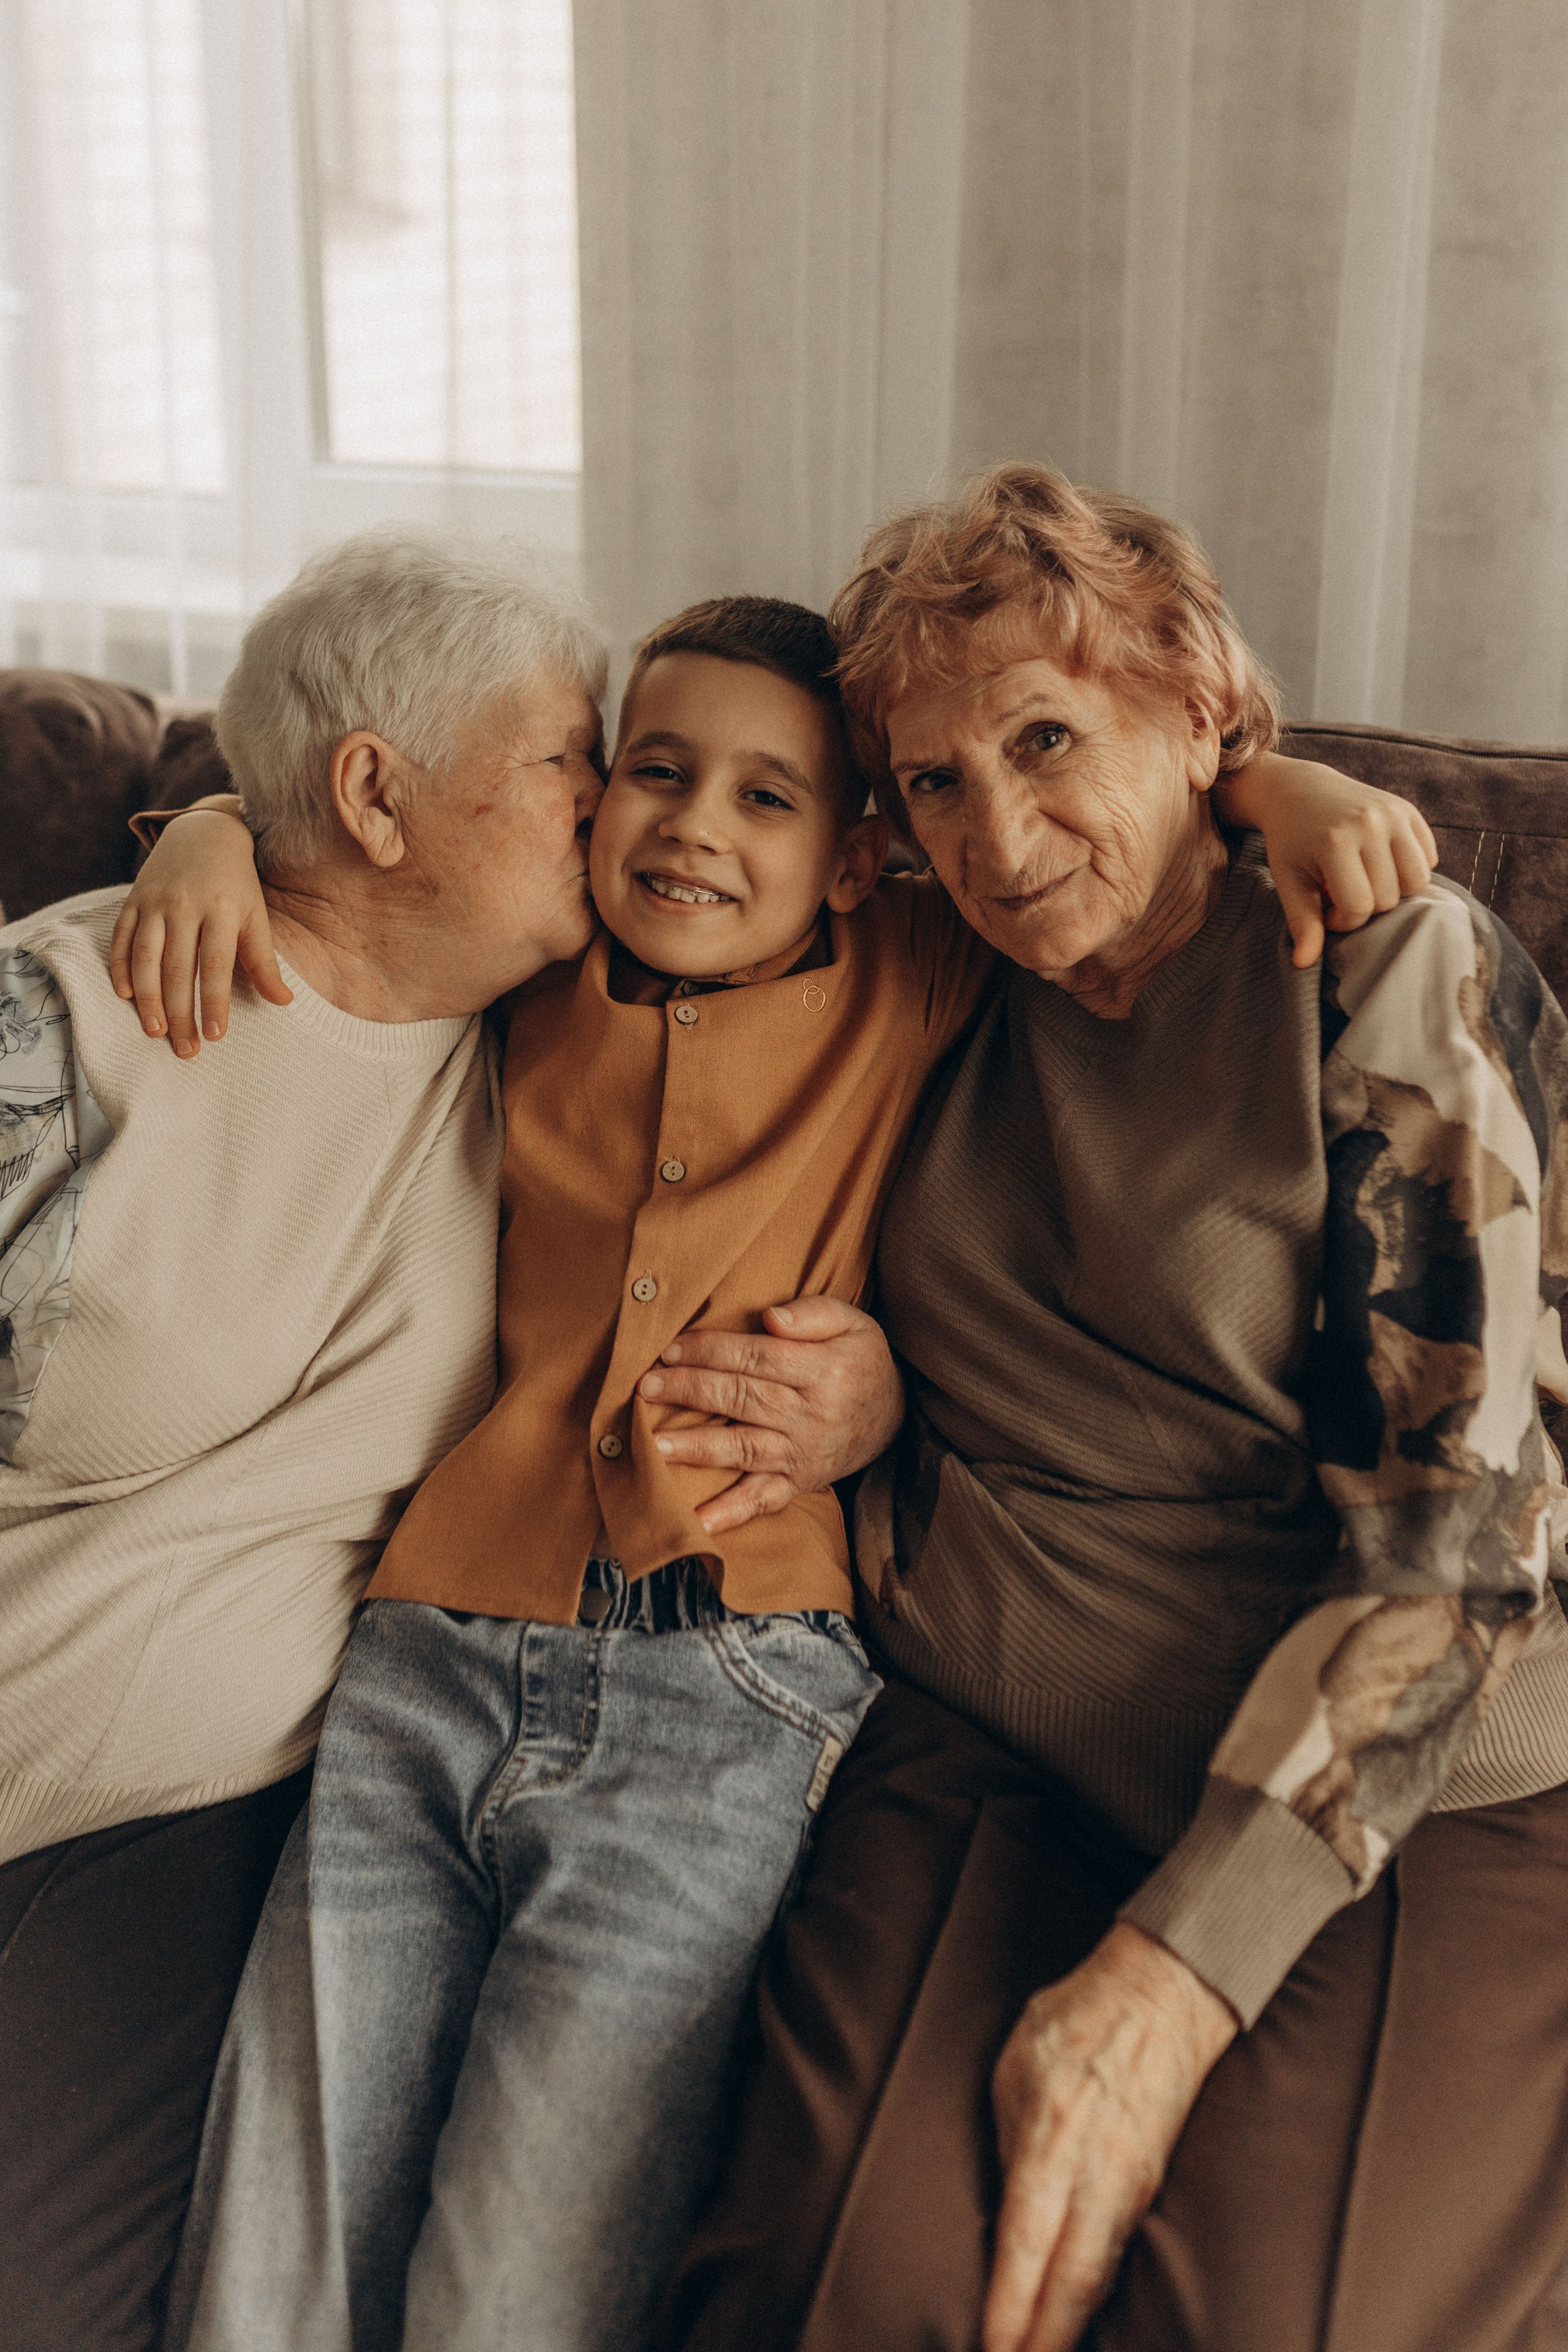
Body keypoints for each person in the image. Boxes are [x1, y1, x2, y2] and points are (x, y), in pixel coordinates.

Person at [115, 584, 1431, 2352]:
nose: (695, 827)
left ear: (858, 856)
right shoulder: (530, 966)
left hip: (722, 1683)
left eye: (767, 796)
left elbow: (1100, 860)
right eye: (655, 773)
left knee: (521, 2272)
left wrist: (1285, 786)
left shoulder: (915, 967)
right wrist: (205, 828)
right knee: (276, 2236)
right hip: (426, 1652)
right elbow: (365, 871)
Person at [647, 467, 1568, 2352]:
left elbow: (1460, 1539)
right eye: (933, 782)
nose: (998, 836)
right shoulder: (920, 967)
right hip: (999, 1722)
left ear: (1202, 714)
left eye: (1047, 738)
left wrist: (1172, 1980)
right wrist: (214, 837)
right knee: (834, 2289)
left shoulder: (1379, 958)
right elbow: (535, 880)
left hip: (1409, 1769)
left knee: (1271, 2320)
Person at [0, 527, 608, 2352]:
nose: (610, 800)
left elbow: (938, 863)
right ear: (375, 794)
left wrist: (1258, 782)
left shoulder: (576, 1040)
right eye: (566, 758)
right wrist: (201, 832)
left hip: (176, 1826)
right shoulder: (69, 1021)